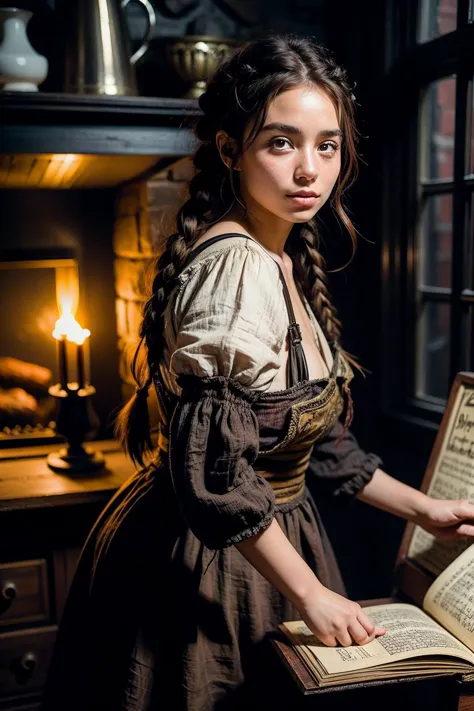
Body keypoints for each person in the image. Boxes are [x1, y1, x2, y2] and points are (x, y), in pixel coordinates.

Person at [41, 33, 474, 711]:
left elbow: (316, 444)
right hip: (211, 559)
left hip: (268, 540)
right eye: (281, 143)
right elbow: (217, 471)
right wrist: (309, 591)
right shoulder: (236, 269)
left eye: (326, 145)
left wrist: (426, 509)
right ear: (229, 150)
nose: (310, 169)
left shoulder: (280, 252)